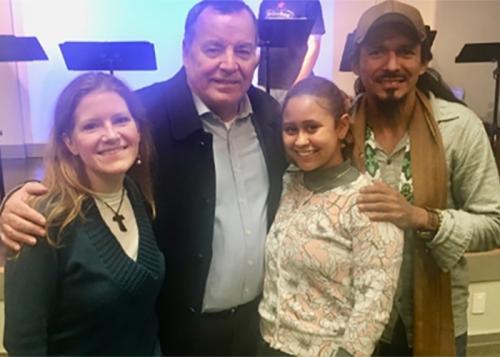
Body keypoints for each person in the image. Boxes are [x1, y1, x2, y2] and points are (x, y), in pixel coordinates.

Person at [0, 1, 288, 355]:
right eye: (213, 49)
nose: (229, 64)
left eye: (243, 50)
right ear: (186, 51)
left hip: (254, 327)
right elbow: (79, 171)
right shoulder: (142, 115)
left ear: (256, 55)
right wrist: (15, 200)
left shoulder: (273, 118)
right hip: (177, 334)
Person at [346, 1, 500, 355]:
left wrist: (421, 218)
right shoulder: (338, 129)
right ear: (355, 62)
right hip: (353, 322)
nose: (392, 65)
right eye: (376, 52)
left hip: (435, 320)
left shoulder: (460, 129)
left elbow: (494, 221)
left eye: (405, 51)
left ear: (423, 60)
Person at [3, 72, 165, 355]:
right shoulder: (42, 221)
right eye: (91, 126)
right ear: (70, 142)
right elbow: (23, 342)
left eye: (121, 120)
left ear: (138, 130)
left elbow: (141, 320)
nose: (111, 135)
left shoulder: (138, 195)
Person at [257, 76, 403, 357]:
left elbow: (375, 300)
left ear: (342, 127)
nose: (300, 140)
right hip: (268, 343)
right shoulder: (288, 183)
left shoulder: (368, 201)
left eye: (312, 127)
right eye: (291, 129)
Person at [258, 0, 325, 103]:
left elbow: (314, 47)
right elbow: (259, 43)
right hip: (266, 82)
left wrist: (298, 84)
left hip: (295, 81)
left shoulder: (310, 3)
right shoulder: (266, 3)